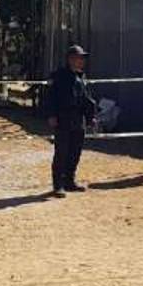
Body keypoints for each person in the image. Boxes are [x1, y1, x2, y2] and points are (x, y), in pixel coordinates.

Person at [45, 45, 98, 197]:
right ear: (70, 59)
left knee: (75, 152)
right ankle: (58, 185)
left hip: (78, 119)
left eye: (83, 58)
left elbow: (86, 99)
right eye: (79, 58)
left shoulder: (81, 76)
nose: (82, 61)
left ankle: (69, 181)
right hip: (63, 118)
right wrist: (51, 115)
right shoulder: (59, 76)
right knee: (61, 152)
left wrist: (90, 117)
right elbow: (51, 97)